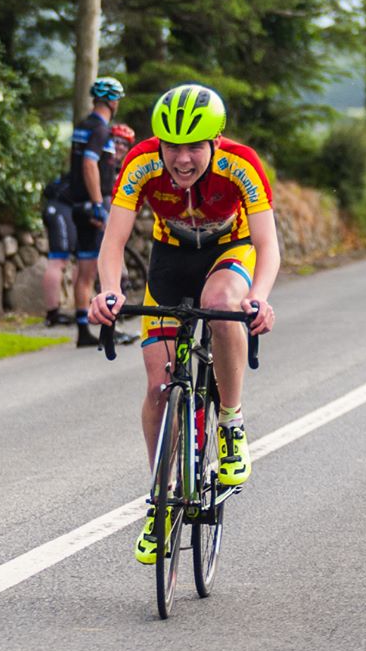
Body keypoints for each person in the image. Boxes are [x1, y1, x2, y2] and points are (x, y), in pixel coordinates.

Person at [87, 84, 280, 564]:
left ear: (216, 141)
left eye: (195, 146)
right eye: (173, 146)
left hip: (228, 252)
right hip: (169, 259)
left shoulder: (242, 164)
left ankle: (231, 423)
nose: (183, 159)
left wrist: (258, 298)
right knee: (158, 388)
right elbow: (113, 241)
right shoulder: (141, 163)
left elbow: (267, 244)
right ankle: (161, 497)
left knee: (221, 303)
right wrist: (109, 290)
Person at [69, 76, 125, 347]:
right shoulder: (101, 130)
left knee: (83, 270)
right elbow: (90, 165)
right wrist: (98, 204)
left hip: (76, 203)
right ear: (112, 101)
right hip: (92, 205)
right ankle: (102, 332)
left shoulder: (83, 125)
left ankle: (83, 330)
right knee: (95, 271)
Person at [39, 174, 78, 326]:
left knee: (80, 259)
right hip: (59, 210)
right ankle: (52, 314)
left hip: (61, 209)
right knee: (58, 260)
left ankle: (82, 307)